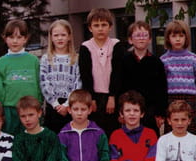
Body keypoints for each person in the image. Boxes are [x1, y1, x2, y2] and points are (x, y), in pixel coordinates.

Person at [78, 8, 126, 136]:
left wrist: (112, 96)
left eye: (104, 25)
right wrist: (91, 98)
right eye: (96, 25)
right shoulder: (85, 47)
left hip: (113, 96)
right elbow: (85, 75)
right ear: (90, 28)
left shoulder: (116, 45)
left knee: (113, 132)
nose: (100, 29)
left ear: (110, 27)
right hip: (94, 97)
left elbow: (118, 73)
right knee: (95, 133)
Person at [116, 20, 168, 134]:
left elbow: (161, 89)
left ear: (150, 39)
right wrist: (120, 111)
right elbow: (119, 86)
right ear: (130, 39)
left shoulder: (156, 62)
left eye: (145, 35)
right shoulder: (124, 61)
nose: (141, 38)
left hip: (150, 111)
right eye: (137, 35)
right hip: (129, 110)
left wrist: (160, 113)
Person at [0, 19, 42, 135]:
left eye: (19, 37)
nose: (15, 41)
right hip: (10, 109)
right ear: (5, 38)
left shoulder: (33, 60)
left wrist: (39, 103)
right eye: (11, 37)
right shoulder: (0, 62)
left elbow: (39, 83)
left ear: (25, 39)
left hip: (31, 108)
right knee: (11, 138)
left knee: (31, 136)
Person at [159, 20, 196, 136]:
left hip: (191, 101)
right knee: (172, 133)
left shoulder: (193, 59)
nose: (178, 39)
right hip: (170, 100)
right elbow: (159, 87)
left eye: (181, 36)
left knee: (191, 133)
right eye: (174, 36)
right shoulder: (163, 60)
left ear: (186, 37)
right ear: (168, 38)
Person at [39, 19, 82, 133]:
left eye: (63, 35)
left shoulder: (76, 58)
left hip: (71, 107)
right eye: (56, 35)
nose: (60, 38)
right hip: (52, 106)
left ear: (69, 36)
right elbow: (44, 82)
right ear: (51, 38)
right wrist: (55, 104)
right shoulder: (46, 59)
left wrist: (67, 104)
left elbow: (78, 82)